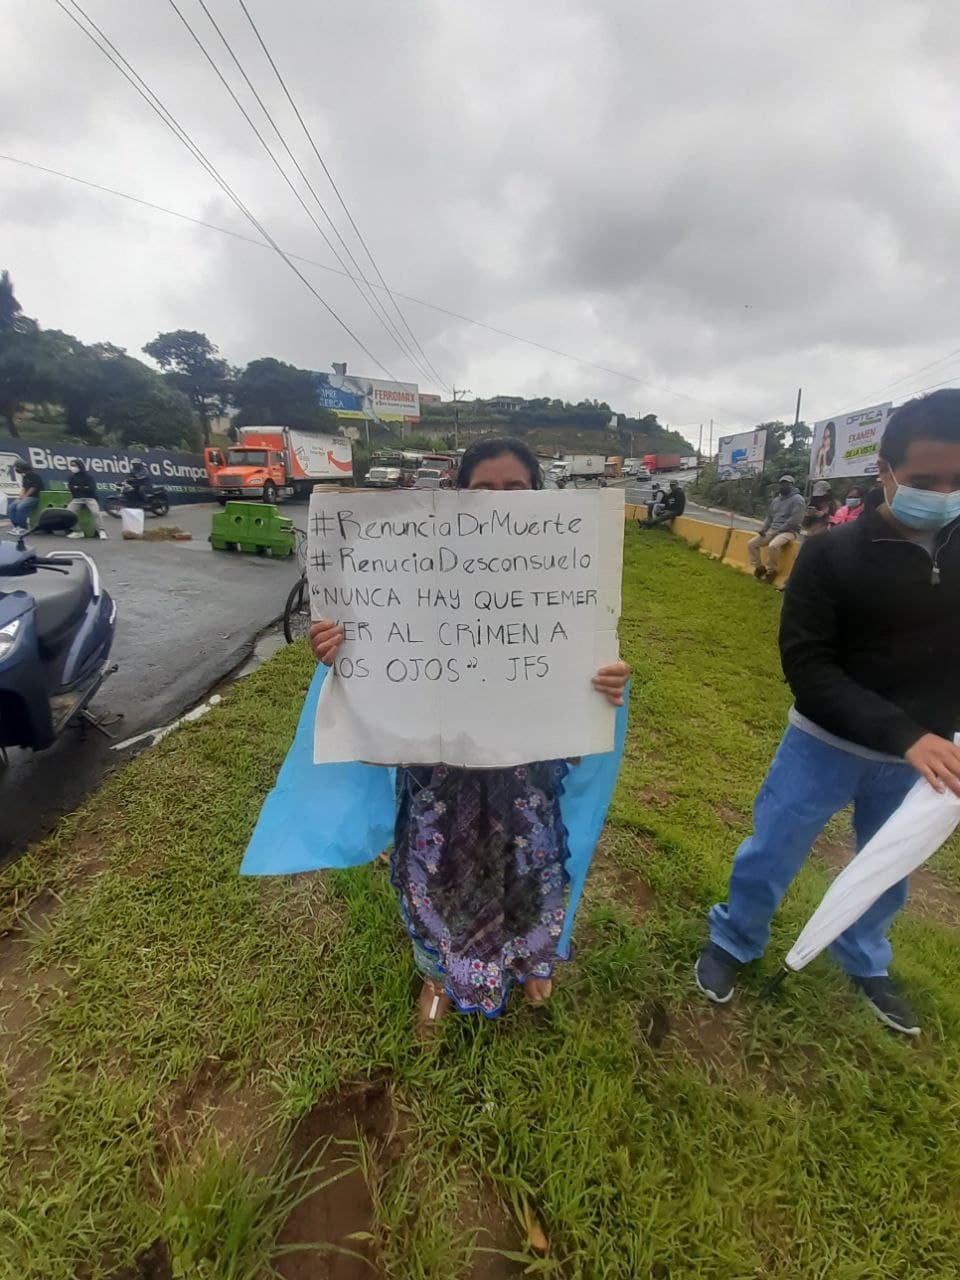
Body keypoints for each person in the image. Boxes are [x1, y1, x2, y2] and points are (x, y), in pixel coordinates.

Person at [307, 438, 631, 1035]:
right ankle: (436, 975)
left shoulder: (566, 574)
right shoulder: (411, 567)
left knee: (528, 869)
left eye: (515, 490)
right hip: (439, 779)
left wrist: (603, 685)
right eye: (482, 490)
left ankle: (527, 960)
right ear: (458, 497)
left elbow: (580, 678)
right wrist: (340, 651)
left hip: (524, 780)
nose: (499, 502)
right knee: (435, 875)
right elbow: (377, 658)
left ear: (540, 498)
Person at [695, 389, 960, 1036]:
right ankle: (734, 940)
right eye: (926, 482)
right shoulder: (830, 554)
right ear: (884, 471)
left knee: (887, 866)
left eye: (958, 482)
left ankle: (864, 958)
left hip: (924, 759)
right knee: (772, 849)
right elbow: (809, 669)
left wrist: (928, 736)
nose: (944, 495)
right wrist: (904, 734)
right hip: (824, 743)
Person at [747, 474, 805, 582]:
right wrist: (763, 529)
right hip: (773, 530)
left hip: (789, 531)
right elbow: (769, 517)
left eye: (786, 484)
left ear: (792, 485)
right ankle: (759, 568)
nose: (784, 486)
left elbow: (795, 519)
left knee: (773, 546)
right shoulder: (776, 500)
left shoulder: (798, 499)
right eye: (782, 483)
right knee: (751, 544)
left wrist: (780, 529)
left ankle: (771, 571)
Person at [66, 459, 108, 539]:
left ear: (80, 466)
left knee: (96, 513)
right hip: (77, 499)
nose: (72, 467)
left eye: (74, 465)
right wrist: (83, 487)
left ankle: (101, 531)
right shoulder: (71, 477)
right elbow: (71, 488)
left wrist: (77, 487)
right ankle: (78, 531)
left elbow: (92, 488)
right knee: (68, 513)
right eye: (71, 465)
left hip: (90, 498)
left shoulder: (88, 477)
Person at [7, 459, 45, 534]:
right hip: (27, 497)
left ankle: (23, 528)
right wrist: (19, 498)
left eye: (17, 467)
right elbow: (24, 488)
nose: (16, 469)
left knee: (20, 507)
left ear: (22, 467)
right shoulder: (25, 476)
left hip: (35, 497)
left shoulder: (34, 476)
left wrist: (24, 498)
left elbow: (33, 488)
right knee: (11, 507)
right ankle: (17, 527)